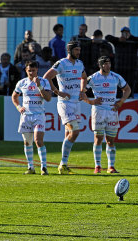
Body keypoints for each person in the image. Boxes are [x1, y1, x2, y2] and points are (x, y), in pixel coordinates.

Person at [43, 41, 90, 175]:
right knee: (75, 132)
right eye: (76, 50)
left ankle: (64, 165)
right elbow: (46, 77)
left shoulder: (80, 64)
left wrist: (82, 90)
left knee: (68, 134)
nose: (78, 52)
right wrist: (57, 92)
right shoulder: (61, 63)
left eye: (79, 50)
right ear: (69, 51)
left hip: (76, 103)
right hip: (65, 104)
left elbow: (84, 77)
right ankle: (62, 164)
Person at [81, 56, 131, 174]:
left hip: (112, 111)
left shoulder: (116, 77)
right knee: (98, 138)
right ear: (101, 65)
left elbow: (127, 89)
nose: (108, 66)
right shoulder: (93, 78)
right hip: (98, 111)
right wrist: (91, 102)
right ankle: (97, 166)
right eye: (106, 64)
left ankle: (111, 166)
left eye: (109, 63)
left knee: (110, 140)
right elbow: (81, 93)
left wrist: (121, 101)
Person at [12, 61, 52, 175]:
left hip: (39, 115)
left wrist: (39, 86)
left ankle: (44, 167)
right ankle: (31, 167)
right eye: (29, 70)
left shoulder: (44, 82)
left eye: (33, 70)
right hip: (26, 116)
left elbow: (48, 98)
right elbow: (14, 96)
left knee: (38, 141)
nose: (31, 73)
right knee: (27, 142)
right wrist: (19, 107)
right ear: (26, 70)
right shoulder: (22, 83)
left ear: (37, 70)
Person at [105, 26, 138, 98]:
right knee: (119, 85)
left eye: (126, 33)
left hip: (130, 69)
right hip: (120, 68)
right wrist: (118, 40)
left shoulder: (133, 42)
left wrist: (130, 38)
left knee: (130, 85)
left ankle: (129, 98)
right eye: (123, 33)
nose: (125, 35)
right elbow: (107, 37)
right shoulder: (117, 42)